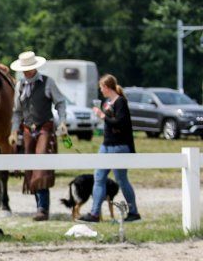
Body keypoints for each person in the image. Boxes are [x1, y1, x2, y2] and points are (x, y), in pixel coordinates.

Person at [9, 51, 68, 221]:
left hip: (45, 128)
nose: (26, 72)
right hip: (28, 130)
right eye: (24, 69)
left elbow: (60, 103)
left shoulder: (48, 83)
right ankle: (39, 207)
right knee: (30, 168)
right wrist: (14, 130)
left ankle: (42, 208)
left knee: (41, 166)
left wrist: (62, 121)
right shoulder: (20, 86)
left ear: (35, 68)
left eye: (29, 69)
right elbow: (17, 112)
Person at [81, 74, 140, 223]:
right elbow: (110, 121)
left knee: (121, 179)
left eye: (102, 87)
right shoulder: (108, 102)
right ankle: (94, 213)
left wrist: (102, 115)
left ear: (107, 87)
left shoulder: (120, 102)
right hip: (106, 145)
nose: (101, 90)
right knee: (99, 177)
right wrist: (102, 116)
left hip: (119, 146)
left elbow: (120, 122)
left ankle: (133, 212)